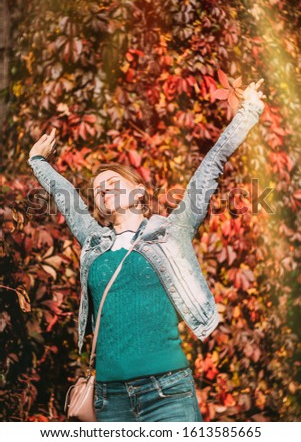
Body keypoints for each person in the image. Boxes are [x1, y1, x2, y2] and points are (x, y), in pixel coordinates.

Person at [28, 78, 265, 422]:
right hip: (109, 398)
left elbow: (210, 166)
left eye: (112, 183)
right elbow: (65, 197)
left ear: (139, 193)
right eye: (97, 190)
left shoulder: (173, 231)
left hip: (167, 393)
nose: (103, 191)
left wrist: (249, 111)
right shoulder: (94, 241)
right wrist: (38, 160)